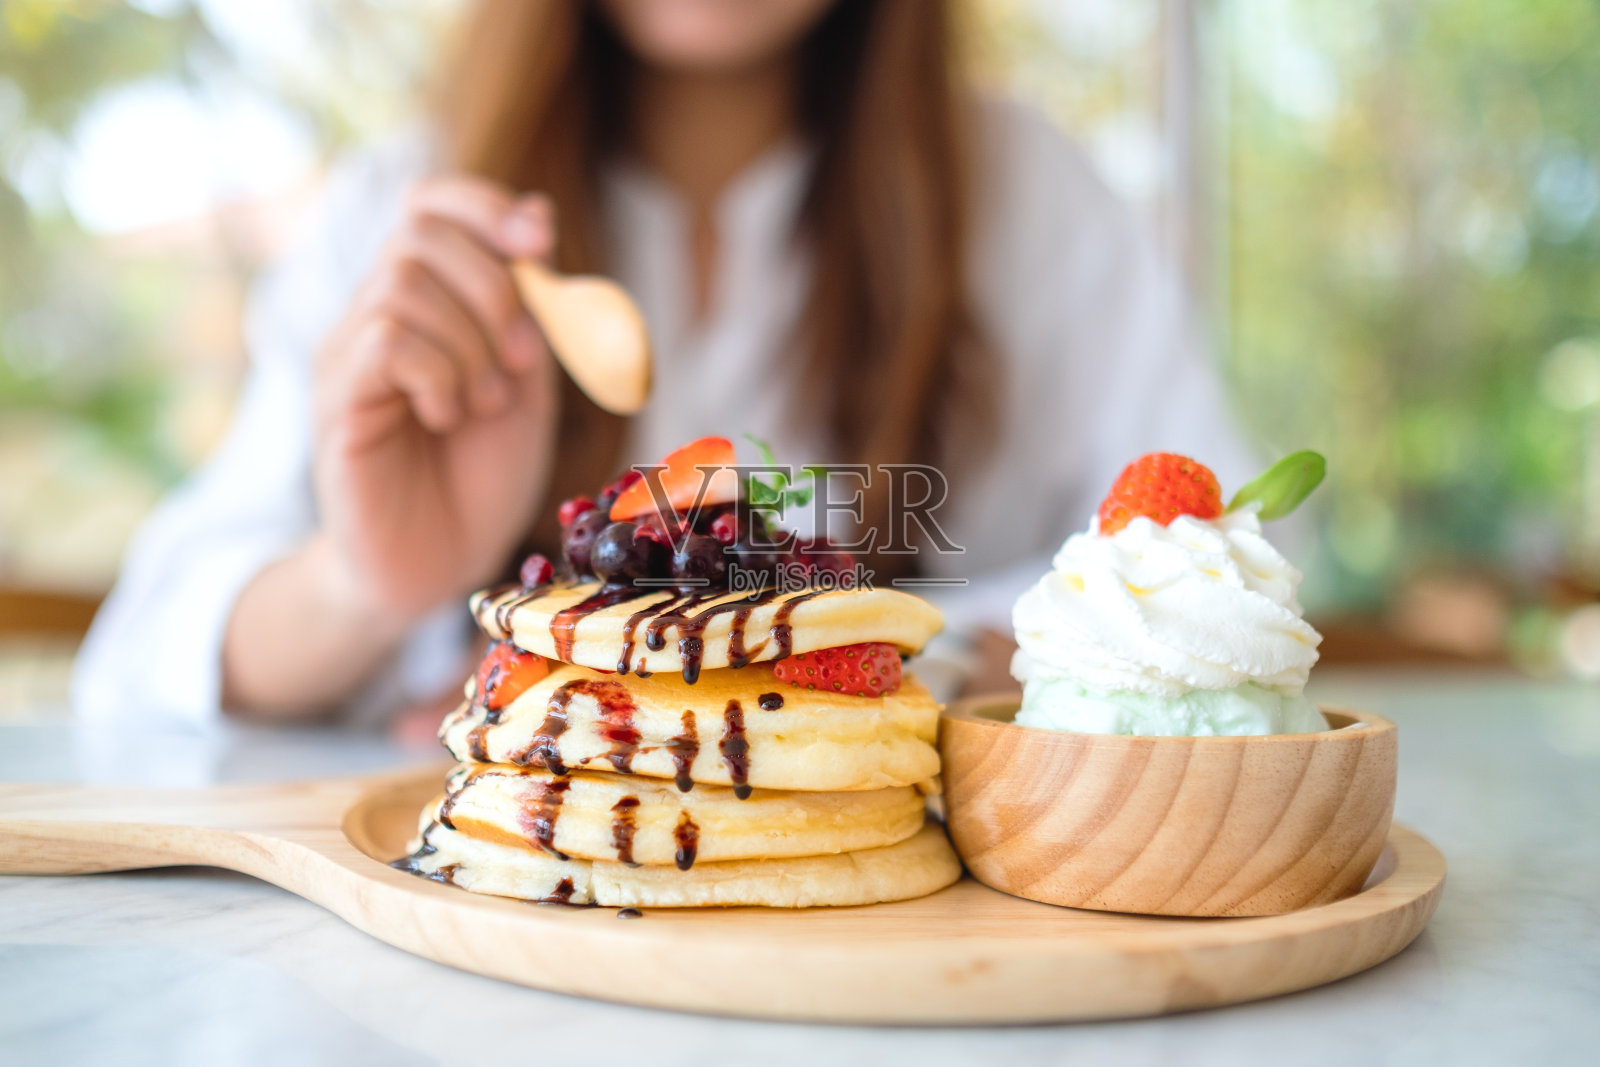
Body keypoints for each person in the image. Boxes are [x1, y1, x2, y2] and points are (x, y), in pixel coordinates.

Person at [74, 0, 1254, 728]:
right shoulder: (407, 222)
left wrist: (914, 659)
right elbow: (142, 658)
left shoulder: (1030, 194)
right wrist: (362, 583)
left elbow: (1226, 552)